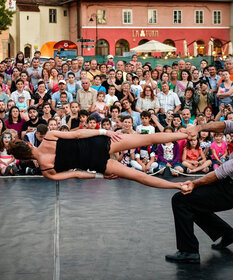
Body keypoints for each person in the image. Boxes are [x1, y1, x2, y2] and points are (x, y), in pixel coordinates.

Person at [166, 120, 233, 263]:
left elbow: (220, 172)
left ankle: (189, 251)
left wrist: (194, 184)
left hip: (230, 188)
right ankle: (227, 233)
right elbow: (226, 125)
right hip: (228, 181)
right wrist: (199, 127)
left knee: (181, 200)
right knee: (194, 201)